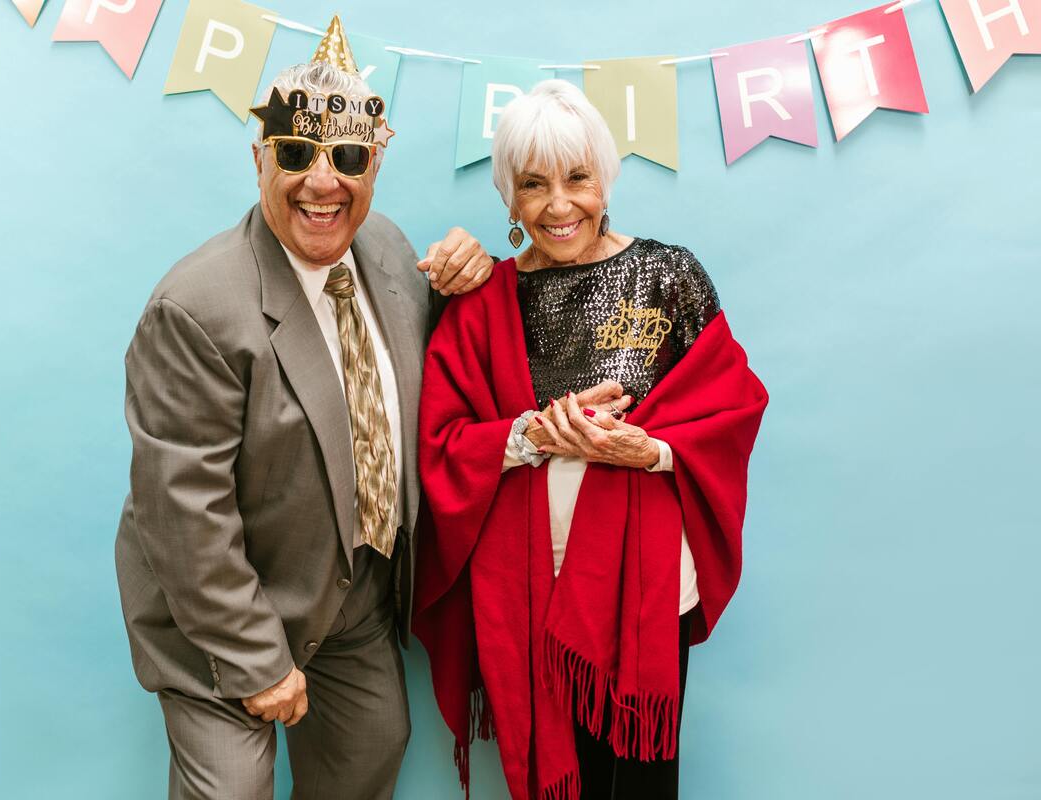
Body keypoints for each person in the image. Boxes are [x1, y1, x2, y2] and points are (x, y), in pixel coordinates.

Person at [114, 18, 494, 800]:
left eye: (348, 159)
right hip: (218, 611)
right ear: (260, 159)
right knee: (230, 792)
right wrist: (259, 660)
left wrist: (474, 275)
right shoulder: (196, 308)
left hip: (347, 597)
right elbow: (184, 512)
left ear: (375, 164)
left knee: (374, 751)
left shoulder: (386, 249)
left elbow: (438, 376)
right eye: (296, 155)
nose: (323, 184)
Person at [414, 80, 770, 800]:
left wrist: (654, 451)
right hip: (527, 589)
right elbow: (442, 446)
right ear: (509, 199)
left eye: (577, 178)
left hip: (645, 592)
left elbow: (733, 407)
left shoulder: (668, 276)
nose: (559, 204)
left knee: (639, 783)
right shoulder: (482, 302)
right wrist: (533, 434)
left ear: (605, 177)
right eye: (533, 184)